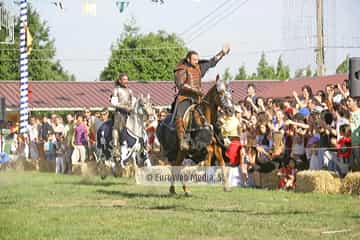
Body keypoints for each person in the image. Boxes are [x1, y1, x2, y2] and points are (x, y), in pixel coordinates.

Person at [173, 44, 230, 151]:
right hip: (184, 98)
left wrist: (222, 53)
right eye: (194, 59)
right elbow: (181, 85)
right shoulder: (181, 69)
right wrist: (196, 91)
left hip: (198, 99)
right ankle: (182, 140)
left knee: (212, 114)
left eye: (197, 59)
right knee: (180, 115)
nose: (196, 61)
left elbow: (212, 62)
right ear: (188, 59)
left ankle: (220, 139)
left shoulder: (199, 68)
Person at [110, 73, 134, 157]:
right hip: (119, 113)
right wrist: (124, 107)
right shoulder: (116, 90)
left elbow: (132, 101)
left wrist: (132, 107)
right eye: (124, 79)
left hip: (129, 113)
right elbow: (113, 102)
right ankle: (115, 146)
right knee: (116, 127)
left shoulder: (130, 91)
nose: (126, 81)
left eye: (127, 79)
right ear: (120, 81)